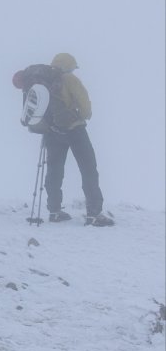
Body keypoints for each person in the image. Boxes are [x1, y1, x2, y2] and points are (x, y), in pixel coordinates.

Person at [34, 53, 113, 226]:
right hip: (74, 129)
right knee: (88, 168)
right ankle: (94, 214)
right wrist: (84, 115)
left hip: (51, 131)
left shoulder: (42, 81)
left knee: (54, 170)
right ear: (69, 65)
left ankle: (54, 211)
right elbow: (84, 103)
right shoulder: (69, 79)